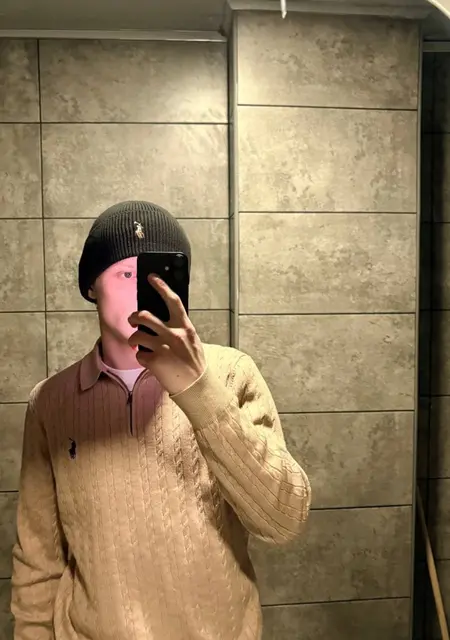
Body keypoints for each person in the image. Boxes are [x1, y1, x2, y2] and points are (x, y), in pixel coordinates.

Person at [11, 200, 311, 640]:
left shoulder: (231, 374)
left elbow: (283, 519)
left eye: (157, 275)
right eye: (125, 274)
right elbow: (37, 560)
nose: (141, 291)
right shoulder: (51, 402)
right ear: (91, 286)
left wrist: (199, 391)